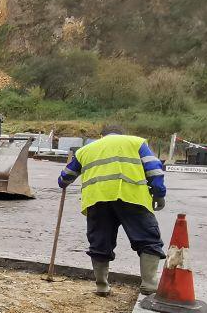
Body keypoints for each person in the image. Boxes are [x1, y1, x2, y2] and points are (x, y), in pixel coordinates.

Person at [57, 125, 166, 297]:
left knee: (100, 241)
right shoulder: (136, 142)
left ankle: (101, 286)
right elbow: (154, 168)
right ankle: (149, 284)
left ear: (102, 136)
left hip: (97, 200)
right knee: (148, 239)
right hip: (132, 197)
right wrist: (159, 194)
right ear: (123, 134)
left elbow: (65, 176)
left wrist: (62, 182)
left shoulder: (86, 150)